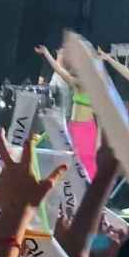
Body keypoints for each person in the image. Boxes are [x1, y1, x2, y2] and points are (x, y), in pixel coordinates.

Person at [35, 44, 100, 179]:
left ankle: (93, 194)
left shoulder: (93, 85)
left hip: (86, 128)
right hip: (73, 127)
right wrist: (46, 53)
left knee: (86, 162)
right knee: (70, 162)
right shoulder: (75, 82)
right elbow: (59, 69)